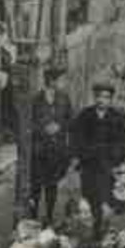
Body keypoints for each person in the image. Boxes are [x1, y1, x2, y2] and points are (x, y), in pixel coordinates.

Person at [71, 82, 125, 238]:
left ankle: (106, 230)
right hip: (89, 166)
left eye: (106, 97)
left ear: (111, 99)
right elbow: (77, 138)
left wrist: (116, 158)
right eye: (99, 96)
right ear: (94, 97)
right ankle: (94, 231)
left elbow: (123, 140)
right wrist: (84, 154)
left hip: (109, 166)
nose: (101, 100)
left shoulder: (118, 117)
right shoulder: (85, 115)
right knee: (91, 198)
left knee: (108, 199)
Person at [31, 65, 74, 224]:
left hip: (57, 150)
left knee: (51, 184)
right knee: (36, 185)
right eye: (61, 80)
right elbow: (30, 123)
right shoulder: (36, 99)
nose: (63, 83)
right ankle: (33, 216)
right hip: (39, 150)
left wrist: (60, 127)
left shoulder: (64, 98)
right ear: (51, 81)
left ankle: (49, 215)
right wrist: (43, 129)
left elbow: (71, 120)